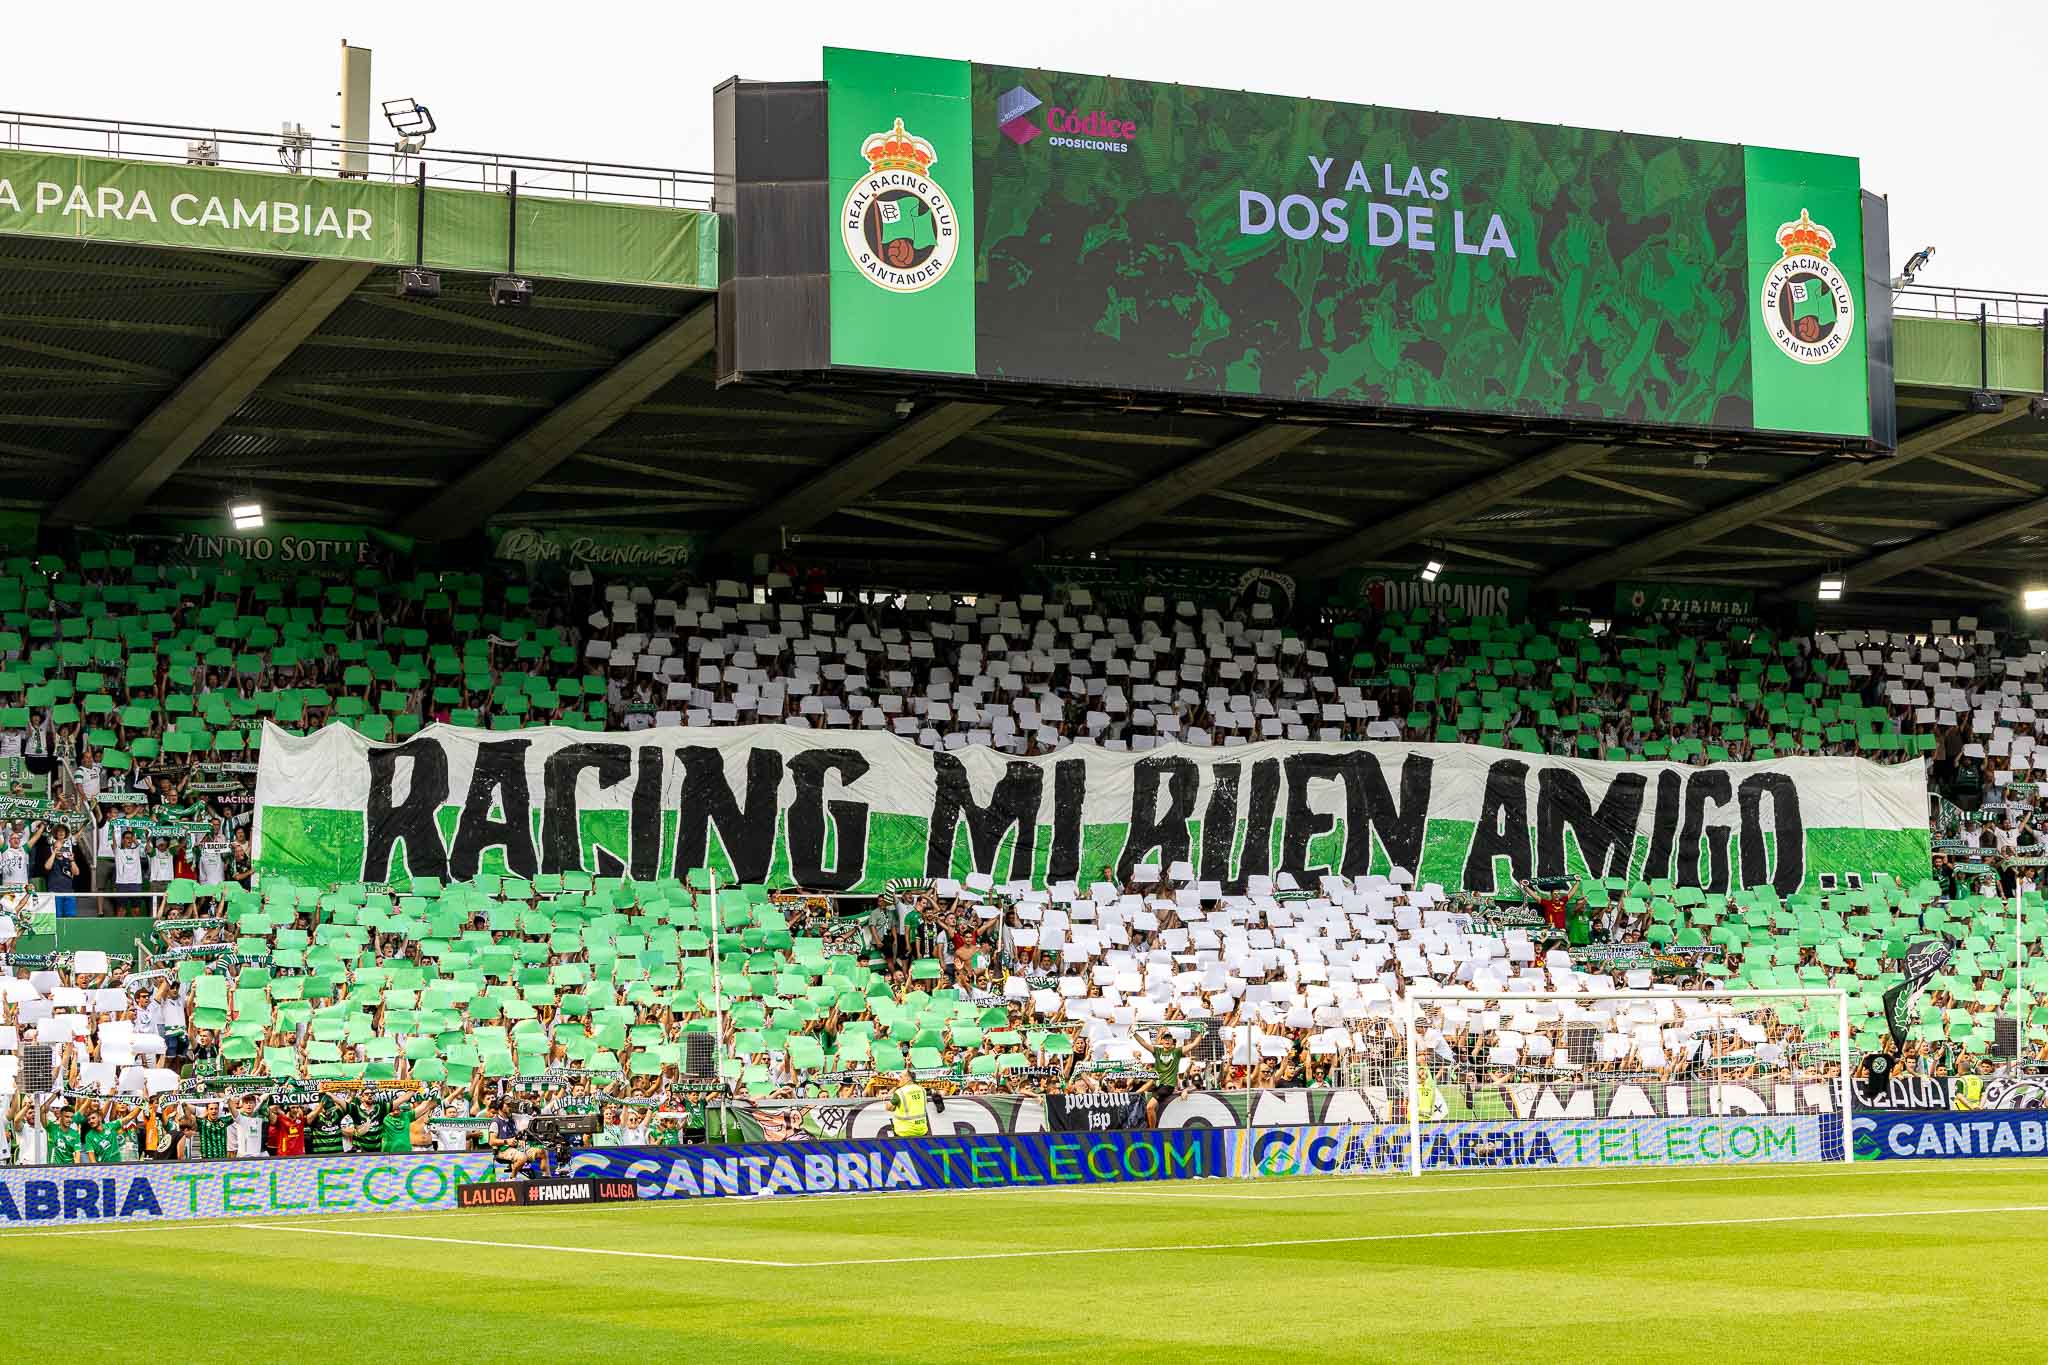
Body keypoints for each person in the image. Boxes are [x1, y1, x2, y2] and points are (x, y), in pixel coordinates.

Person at [887, 1072, 934, 1138]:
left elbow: (889, 1108)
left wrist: (890, 1094)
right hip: (921, 1130)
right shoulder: (922, 1089)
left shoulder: (900, 1092)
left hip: (904, 1131)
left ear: (908, 1078)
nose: (898, 1079)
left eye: (901, 1077)